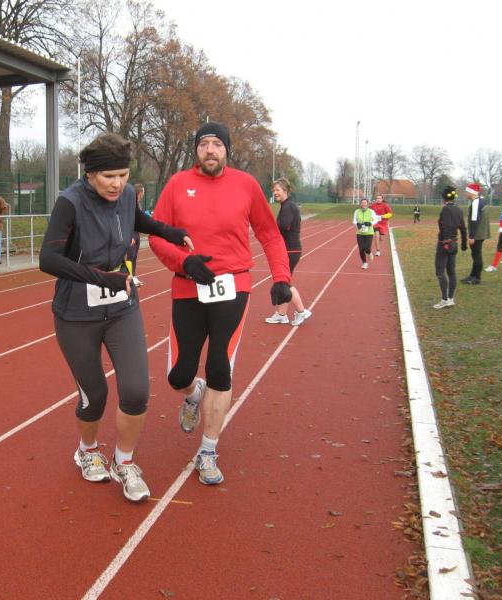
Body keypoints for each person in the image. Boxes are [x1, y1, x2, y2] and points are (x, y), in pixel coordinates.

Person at [39, 133, 192, 502]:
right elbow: (48, 259)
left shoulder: (126, 195)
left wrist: (170, 232)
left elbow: (136, 218)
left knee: (136, 391)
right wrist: (101, 278)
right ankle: (88, 451)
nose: (117, 184)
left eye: (123, 175)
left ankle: (124, 461)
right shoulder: (70, 203)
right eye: (109, 176)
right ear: (90, 174)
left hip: (122, 307)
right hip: (77, 314)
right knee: (94, 396)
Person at [149, 122, 292, 486]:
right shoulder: (177, 184)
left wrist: (281, 278)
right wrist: (185, 263)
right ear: (196, 150)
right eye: (203, 144)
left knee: (219, 368)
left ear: (227, 149)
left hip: (233, 287)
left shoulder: (246, 185)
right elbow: (157, 236)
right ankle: (192, 394)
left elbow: (270, 234)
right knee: (178, 374)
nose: (210, 150)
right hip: (188, 286)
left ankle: (208, 451)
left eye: (216, 144)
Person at [264, 178, 312, 325]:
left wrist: (269, 228)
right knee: (283, 281)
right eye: (273, 190)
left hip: (289, 249)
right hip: (290, 248)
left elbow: (283, 226)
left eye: (277, 190)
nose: (275, 192)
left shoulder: (288, 206)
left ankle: (301, 311)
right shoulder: (287, 205)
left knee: (283, 283)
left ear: (285, 190)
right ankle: (281, 314)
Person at [433, 186, 468, 309]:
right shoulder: (459, 210)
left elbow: (446, 226)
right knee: (451, 272)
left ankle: (444, 299)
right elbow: (463, 228)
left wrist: (446, 242)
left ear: (444, 198)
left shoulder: (445, 210)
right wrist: (464, 243)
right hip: (454, 243)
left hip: (445, 244)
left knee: (440, 271)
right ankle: (451, 298)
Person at [462, 182, 490, 284]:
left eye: (467, 192)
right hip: (480, 233)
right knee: (475, 255)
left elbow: (474, 220)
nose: (465, 193)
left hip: (477, 234)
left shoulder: (475, 203)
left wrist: (471, 236)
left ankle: (477, 278)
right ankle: (472, 275)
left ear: (472, 192)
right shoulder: (481, 201)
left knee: (476, 255)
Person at [126, 183, 145, 285]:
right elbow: (127, 220)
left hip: (137, 233)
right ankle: (128, 276)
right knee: (130, 255)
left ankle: (133, 275)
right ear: (140, 192)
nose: (144, 194)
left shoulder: (139, 204)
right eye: (143, 191)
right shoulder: (130, 204)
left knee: (135, 256)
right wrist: (130, 235)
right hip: (131, 233)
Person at [352, 197, 379, 270]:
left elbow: (376, 220)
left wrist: (370, 223)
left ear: (367, 204)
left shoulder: (371, 211)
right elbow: (354, 221)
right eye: (362, 203)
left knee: (367, 248)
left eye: (365, 203)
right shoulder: (357, 211)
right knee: (361, 249)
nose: (363, 204)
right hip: (359, 233)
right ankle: (364, 263)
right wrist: (357, 224)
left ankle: (369, 253)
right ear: (360, 204)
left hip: (369, 233)